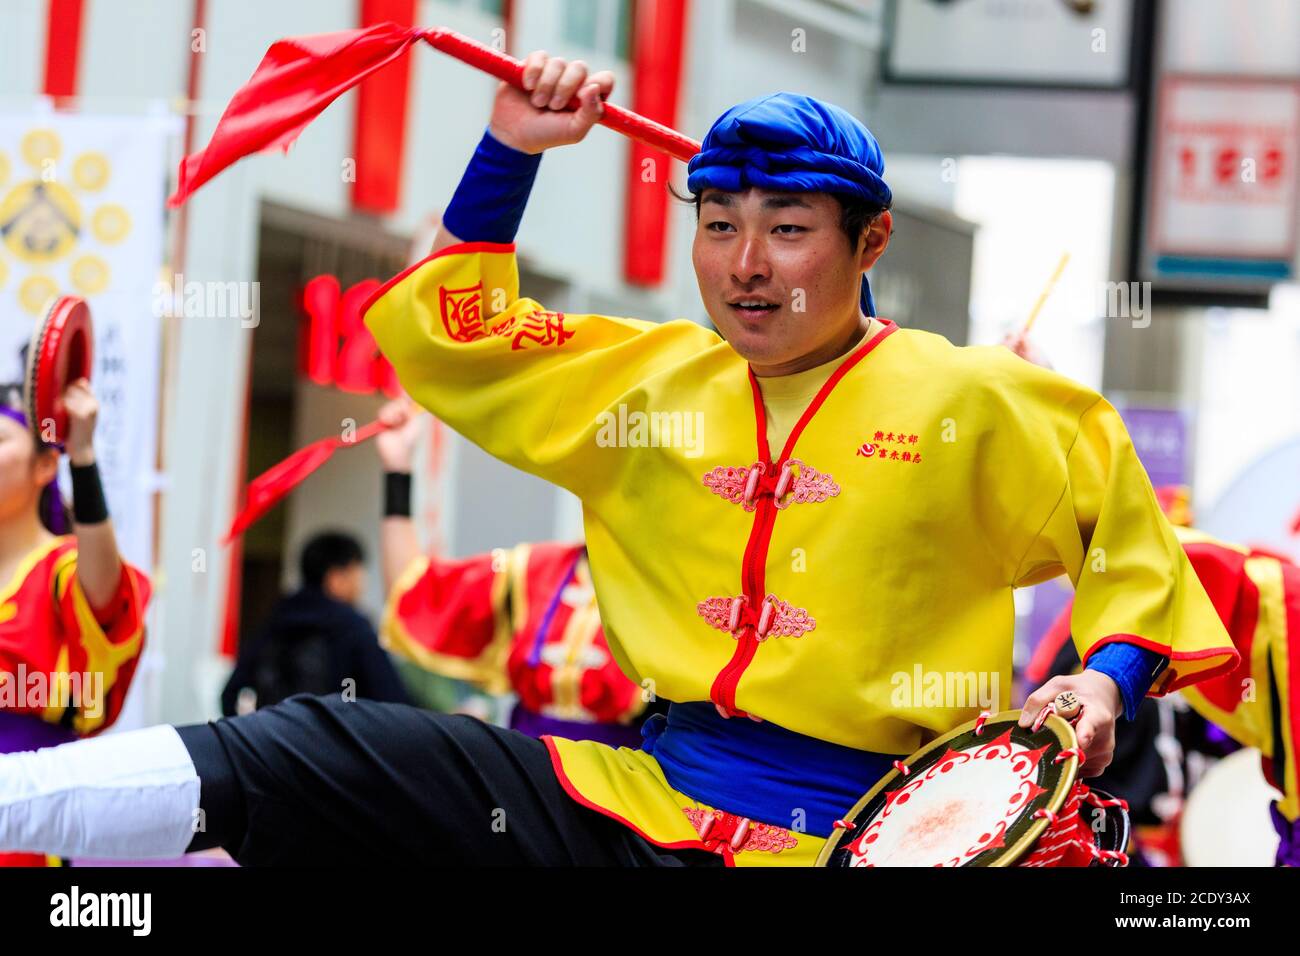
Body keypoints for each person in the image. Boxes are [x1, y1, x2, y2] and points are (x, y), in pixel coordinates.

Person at [0, 55, 1236, 867]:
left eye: (788, 230)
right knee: (318, 749)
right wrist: (513, 151)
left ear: (870, 241)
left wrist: (1109, 677)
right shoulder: (645, 381)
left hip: (881, 833)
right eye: (718, 227)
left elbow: (1133, 543)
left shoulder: (981, 401)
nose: (746, 264)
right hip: (630, 801)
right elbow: (447, 330)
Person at [376, 398, 662, 748]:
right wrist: (398, 466)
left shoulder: (679, 589)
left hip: (622, 787)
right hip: (527, 774)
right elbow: (414, 591)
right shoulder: (534, 571)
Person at [0, 375, 150, 866]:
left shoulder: (61, 567)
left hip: (25, 814)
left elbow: (108, 600)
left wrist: (83, 455)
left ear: (45, 465)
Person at [221, 531, 411, 715]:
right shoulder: (353, 627)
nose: (362, 584)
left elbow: (230, 695)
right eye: (357, 574)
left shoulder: (275, 621)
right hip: (332, 744)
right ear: (336, 578)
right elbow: (393, 701)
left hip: (274, 740)